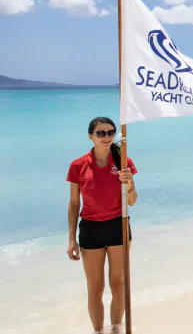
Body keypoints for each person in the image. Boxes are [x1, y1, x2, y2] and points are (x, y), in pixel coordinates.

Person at [67, 117, 137, 334]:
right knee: (95, 289)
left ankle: (116, 329)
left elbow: (132, 200)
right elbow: (73, 204)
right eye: (101, 133)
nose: (106, 137)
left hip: (118, 226)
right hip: (91, 230)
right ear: (91, 136)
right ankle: (98, 331)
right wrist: (71, 239)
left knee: (119, 285)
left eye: (110, 132)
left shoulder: (124, 162)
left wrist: (129, 182)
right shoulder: (78, 165)